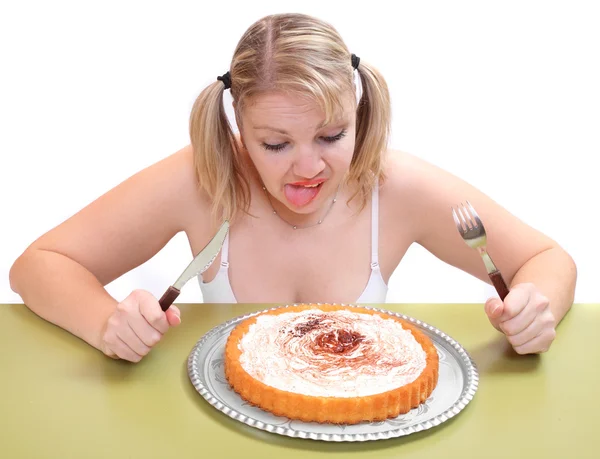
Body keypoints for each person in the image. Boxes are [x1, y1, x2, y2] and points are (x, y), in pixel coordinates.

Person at [9, 13, 576, 363]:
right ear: (237, 126)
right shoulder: (202, 179)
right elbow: (38, 263)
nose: (307, 168)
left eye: (331, 135)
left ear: (359, 114)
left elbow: (547, 259)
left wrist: (536, 309)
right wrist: (105, 322)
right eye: (275, 145)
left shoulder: (396, 186)